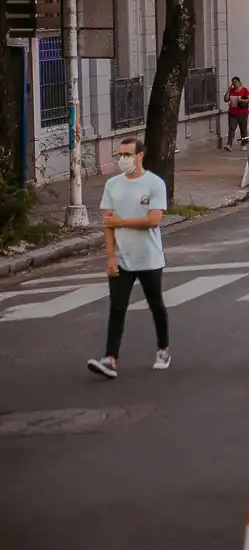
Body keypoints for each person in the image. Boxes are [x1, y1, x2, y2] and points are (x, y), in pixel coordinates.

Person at [87, 137, 171, 379]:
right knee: (117, 307)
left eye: (127, 154)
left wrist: (121, 222)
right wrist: (111, 255)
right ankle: (110, 358)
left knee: (156, 305)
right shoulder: (113, 185)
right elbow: (108, 223)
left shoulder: (154, 183)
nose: (122, 159)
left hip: (149, 258)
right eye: (120, 155)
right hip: (122, 259)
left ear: (140, 155)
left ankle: (163, 349)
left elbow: (154, 221)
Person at [224, 77, 249, 150]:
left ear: (239, 82)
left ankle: (244, 144)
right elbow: (226, 99)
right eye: (233, 82)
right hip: (232, 113)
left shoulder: (244, 90)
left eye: (236, 82)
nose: (234, 84)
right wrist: (228, 90)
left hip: (242, 113)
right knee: (231, 128)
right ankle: (229, 144)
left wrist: (242, 100)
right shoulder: (232, 91)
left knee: (243, 129)